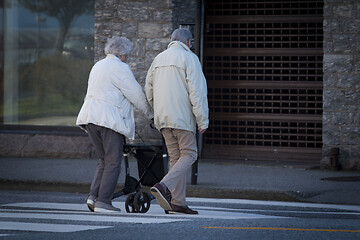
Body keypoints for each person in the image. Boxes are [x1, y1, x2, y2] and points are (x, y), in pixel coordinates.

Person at [76, 36, 153, 213]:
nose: (128, 57)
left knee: (103, 160)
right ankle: (103, 201)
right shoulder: (120, 67)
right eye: (128, 54)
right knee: (113, 161)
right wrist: (152, 115)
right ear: (123, 54)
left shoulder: (98, 65)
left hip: (90, 118)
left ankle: (93, 196)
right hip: (108, 120)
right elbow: (136, 94)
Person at [145, 28, 209, 214]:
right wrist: (202, 120)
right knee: (190, 154)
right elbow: (197, 92)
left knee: (176, 158)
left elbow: (148, 90)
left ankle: (178, 202)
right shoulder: (190, 58)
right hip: (182, 118)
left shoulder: (158, 59)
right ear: (189, 42)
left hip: (163, 118)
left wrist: (155, 111)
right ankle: (163, 186)